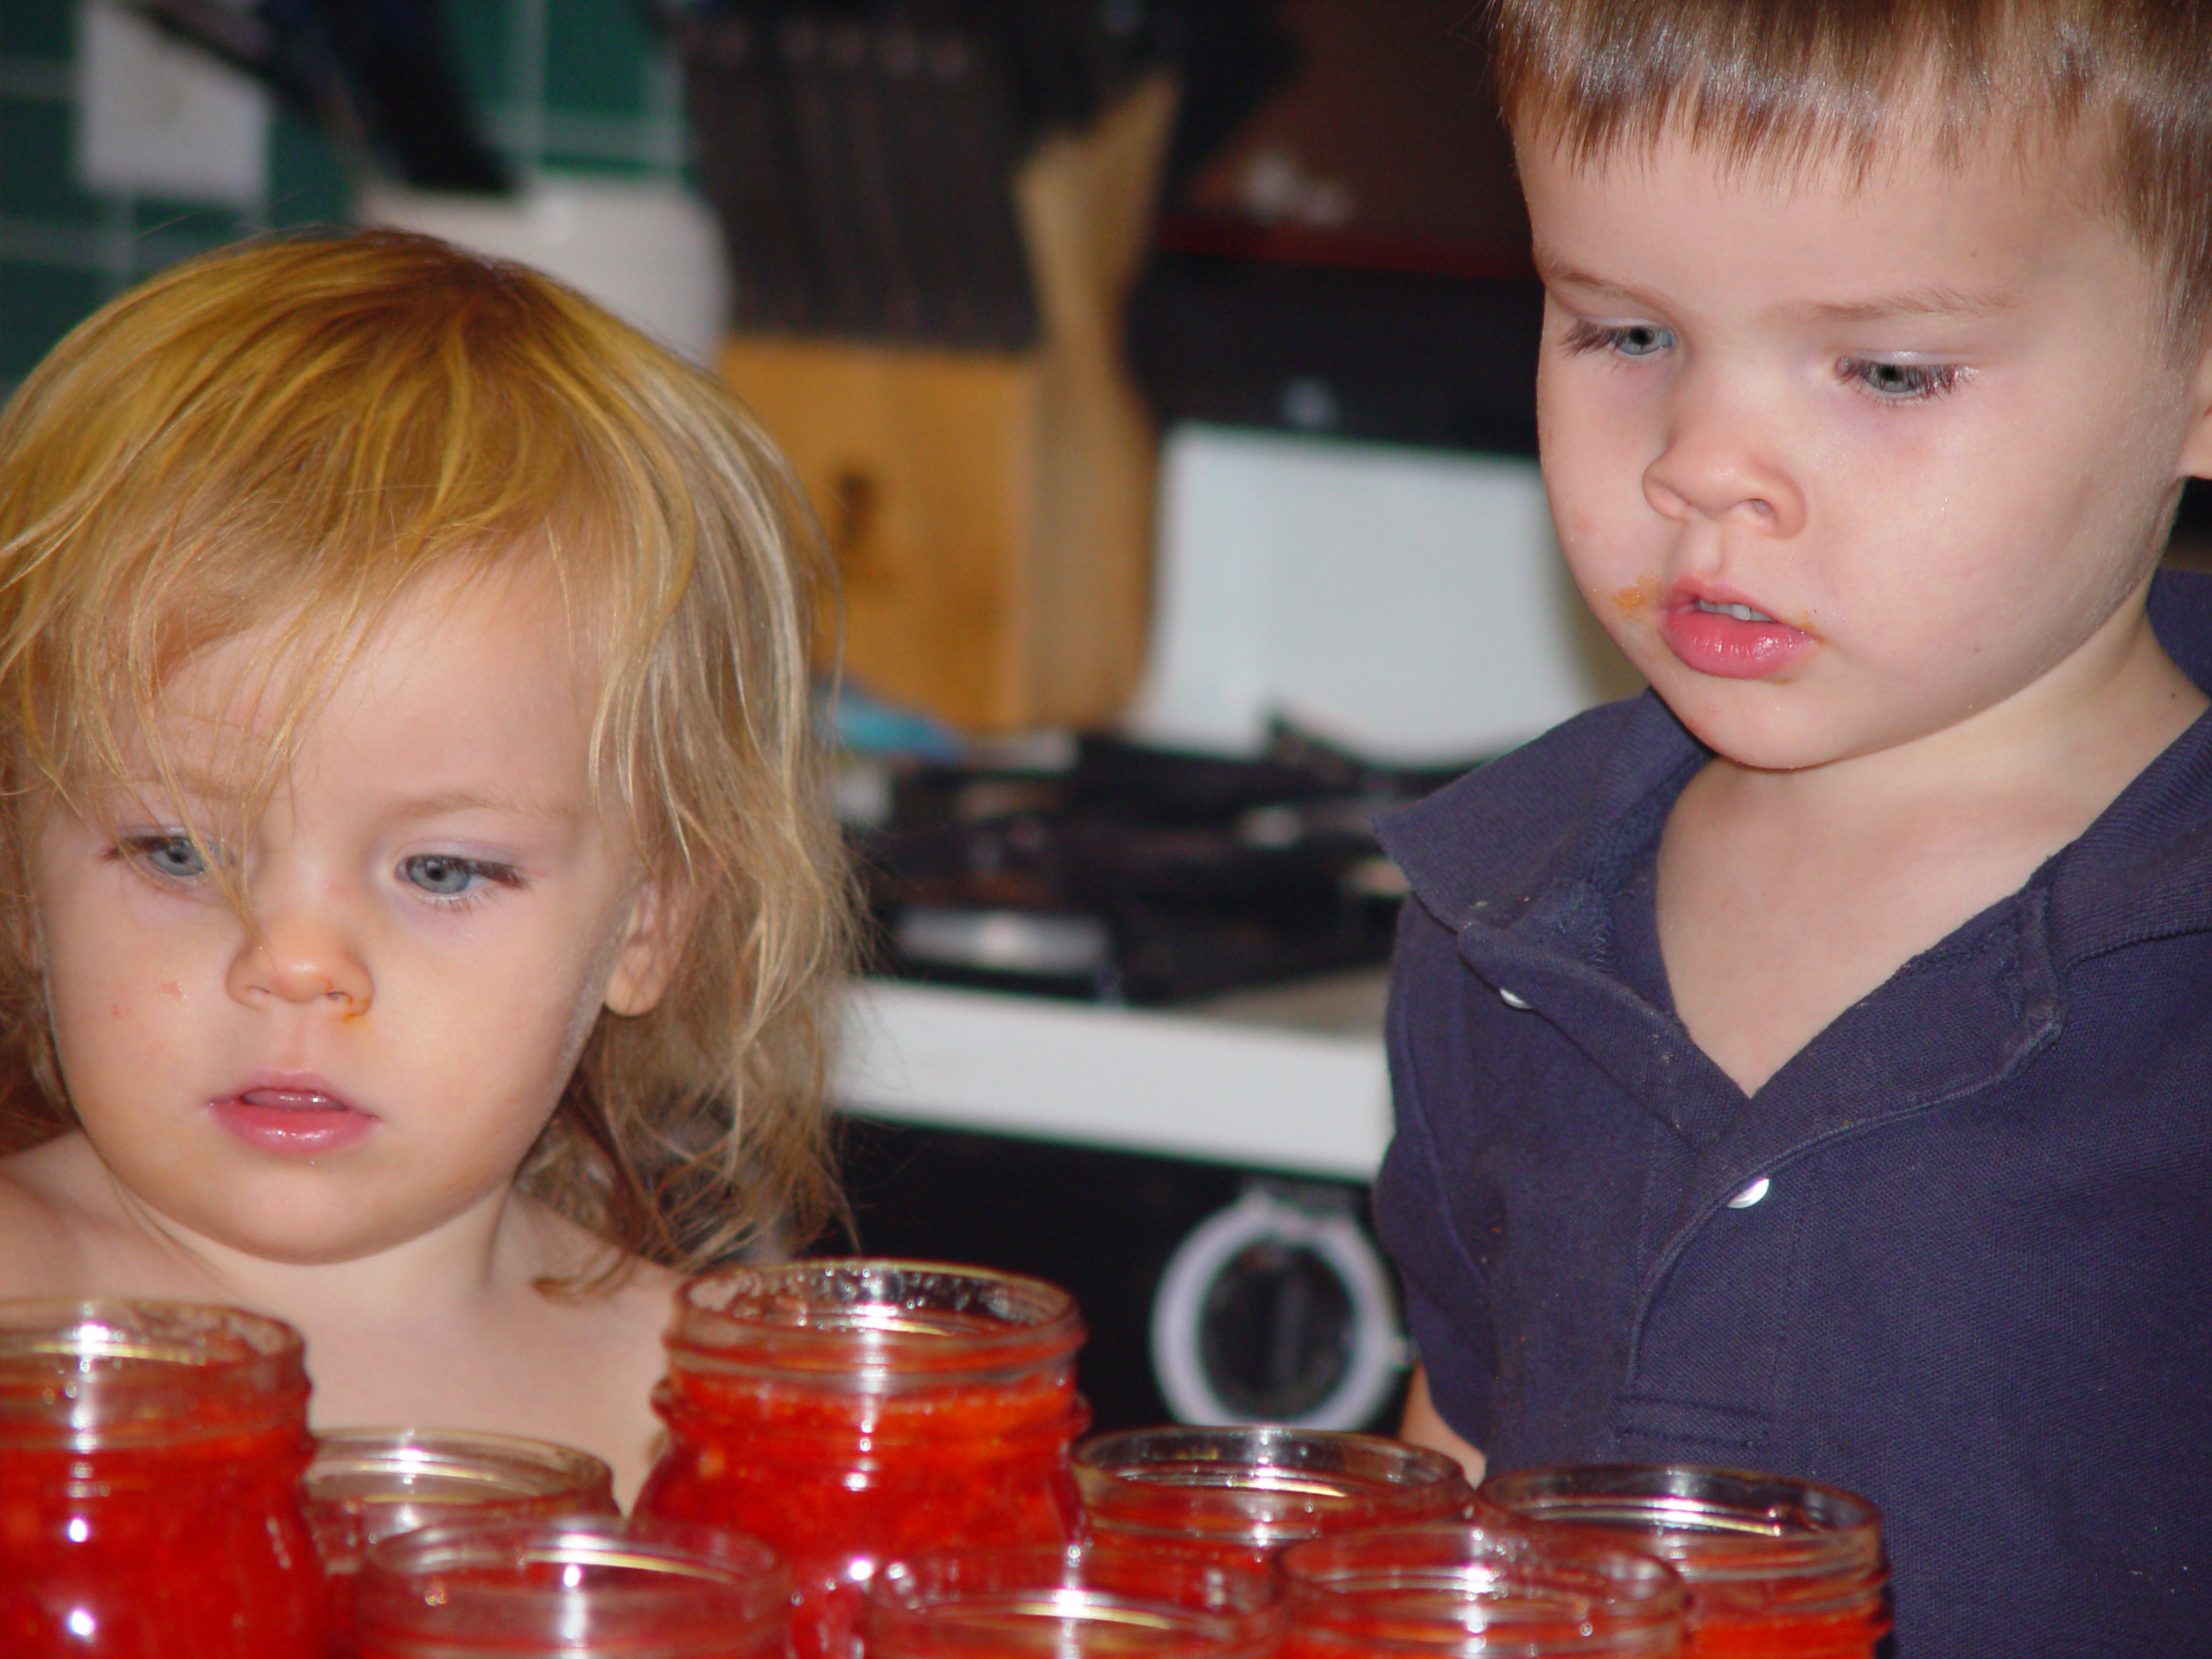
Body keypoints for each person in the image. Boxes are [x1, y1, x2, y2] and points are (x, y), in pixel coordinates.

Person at [1374, 0, 2212, 1649]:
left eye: (1888, 369)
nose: (1703, 467)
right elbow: (1463, 1457)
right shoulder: (1496, 913)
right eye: (1622, 333)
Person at [0, 230, 852, 1505]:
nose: (294, 966)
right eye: (177, 852)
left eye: (444, 871)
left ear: (648, 919)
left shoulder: (721, 1414)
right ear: (21, 883)